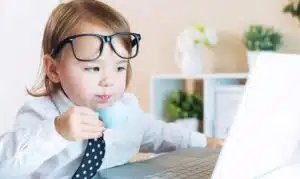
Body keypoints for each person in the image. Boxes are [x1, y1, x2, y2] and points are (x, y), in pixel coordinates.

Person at [0, 0, 224, 178]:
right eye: (92, 68)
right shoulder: (41, 114)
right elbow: (5, 168)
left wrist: (205, 142)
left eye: (119, 67)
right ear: (53, 69)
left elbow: (159, 134)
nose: (108, 80)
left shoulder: (127, 108)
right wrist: (57, 132)